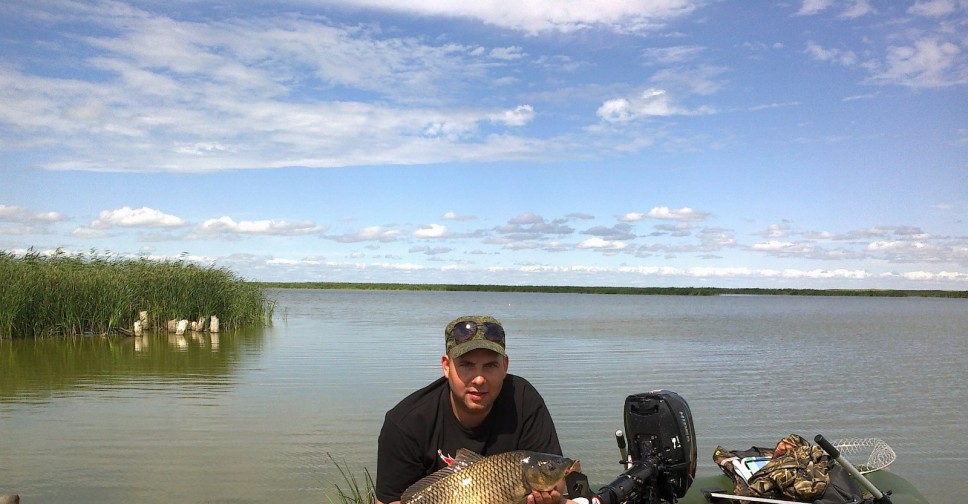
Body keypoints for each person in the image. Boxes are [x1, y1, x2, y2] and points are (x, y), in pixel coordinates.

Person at [376, 315, 576, 504]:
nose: (479, 379)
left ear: (504, 366)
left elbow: (557, 481)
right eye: (467, 365)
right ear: (446, 366)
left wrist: (553, 494)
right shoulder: (405, 423)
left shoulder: (523, 400)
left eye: (490, 365)